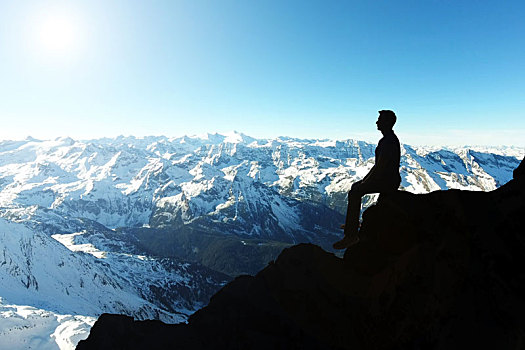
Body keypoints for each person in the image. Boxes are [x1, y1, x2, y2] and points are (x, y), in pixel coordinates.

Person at [333, 110, 401, 249]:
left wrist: (366, 182)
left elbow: (380, 166)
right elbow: (379, 166)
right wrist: (365, 180)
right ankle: (352, 223)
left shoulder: (388, 141)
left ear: (387, 122)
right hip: (388, 179)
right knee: (356, 187)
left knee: (355, 192)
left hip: (386, 181)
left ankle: (351, 235)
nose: (377, 122)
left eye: (379, 119)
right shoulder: (389, 139)